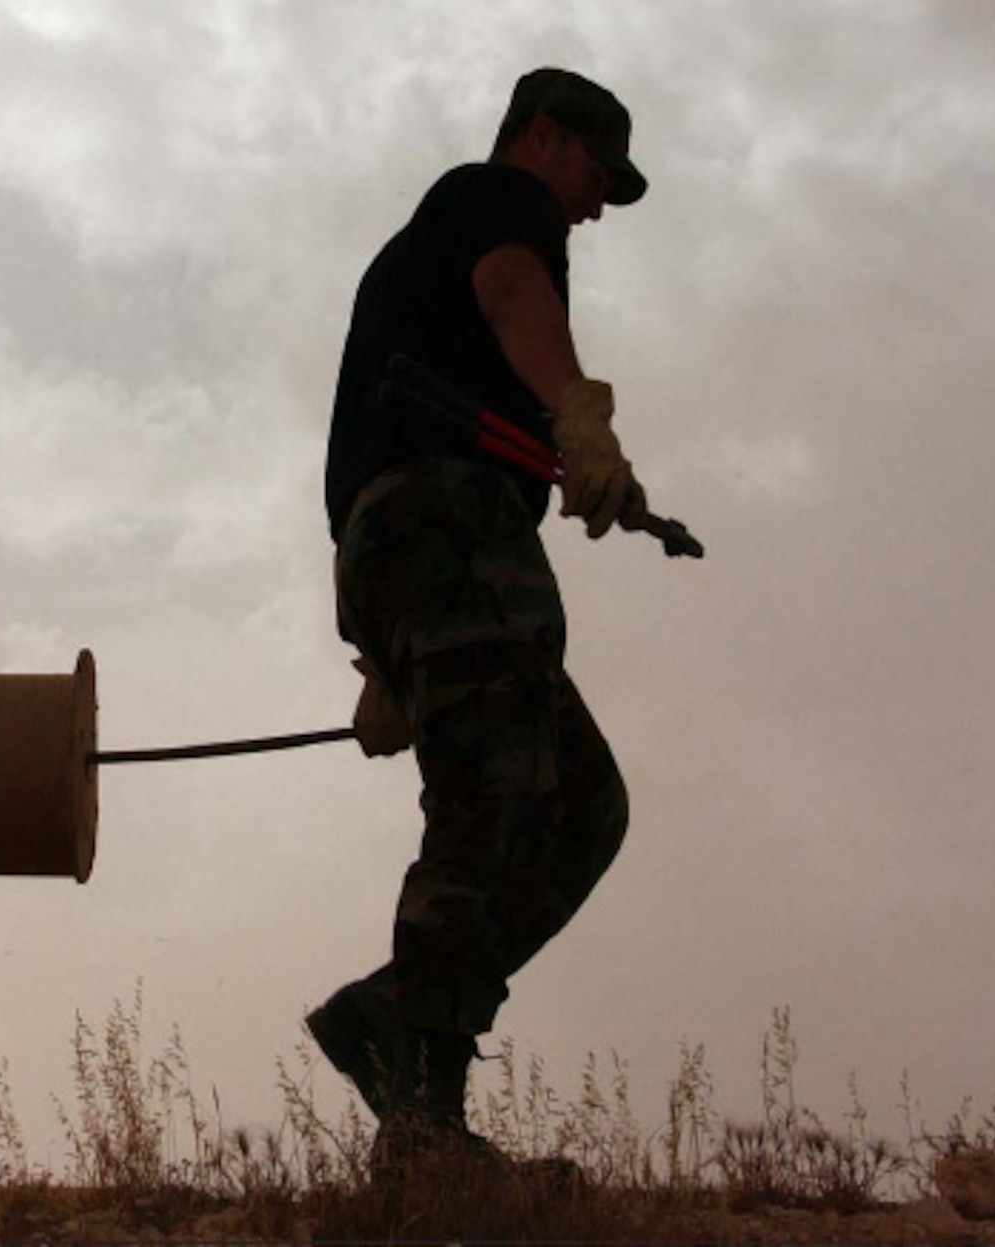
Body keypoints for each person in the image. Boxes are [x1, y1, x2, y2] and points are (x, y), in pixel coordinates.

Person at [309, 67, 650, 1165]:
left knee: (581, 804)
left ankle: (405, 1009)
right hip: (446, 528)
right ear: (541, 138)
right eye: (595, 174)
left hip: (409, 547)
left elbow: (359, 468)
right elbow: (516, 295)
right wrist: (578, 412)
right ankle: (421, 1115)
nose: (593, 205)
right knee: (495, 793)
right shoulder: (494, 200)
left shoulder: (413, 257)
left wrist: (378, 651)